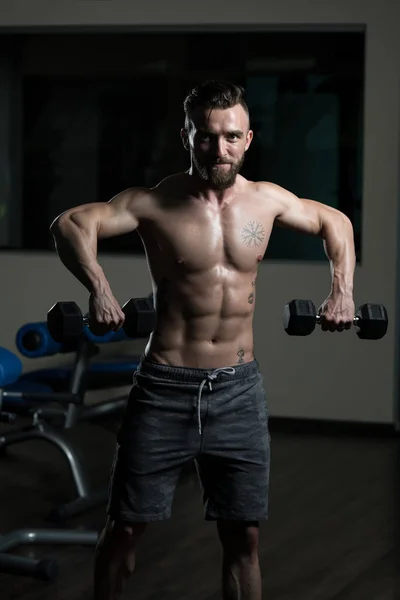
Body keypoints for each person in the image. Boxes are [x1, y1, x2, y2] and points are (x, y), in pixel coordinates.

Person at [50, 80, 356, 600]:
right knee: (125, 528)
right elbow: (72, 222)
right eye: (208, 137)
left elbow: (336, 221)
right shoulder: (153, 203)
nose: (221, 149)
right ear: (188, 135)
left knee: (244, 535)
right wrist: (100, 289)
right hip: (164, 388)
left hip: (238, 391)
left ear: (249, 138)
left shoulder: (266, 201)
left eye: (232, 137)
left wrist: (342, 291)